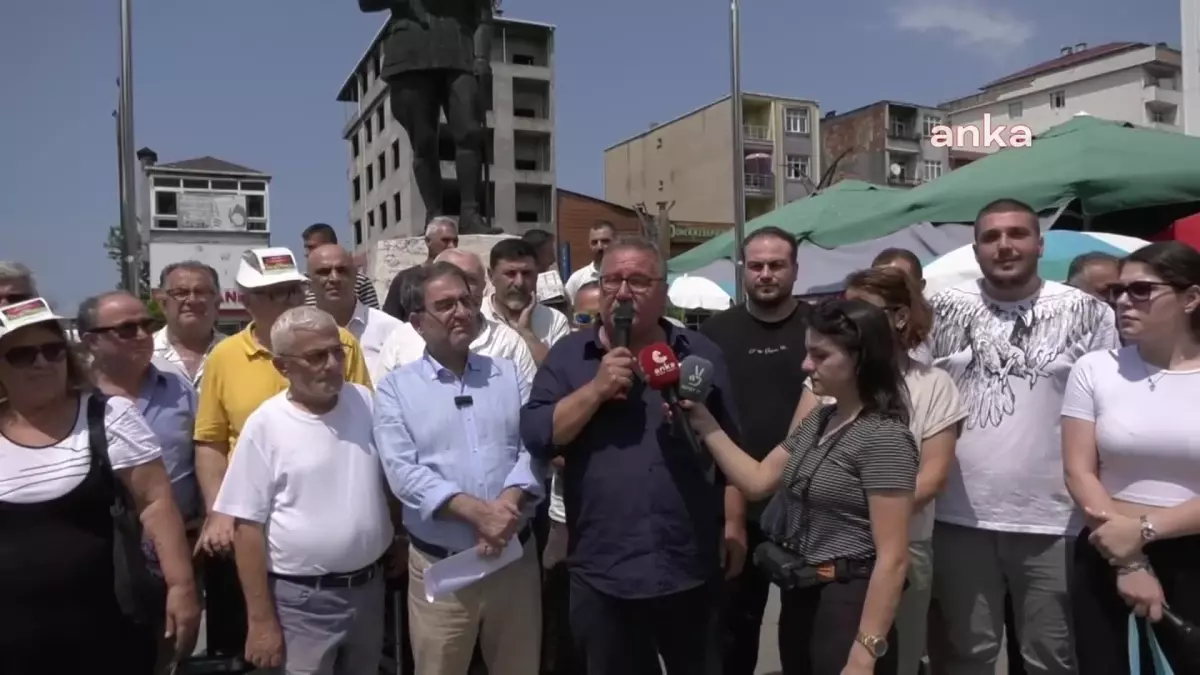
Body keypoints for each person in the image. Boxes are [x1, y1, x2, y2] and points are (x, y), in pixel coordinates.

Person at [521, 235, 740, 675]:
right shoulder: (568, 357)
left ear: (663, 289)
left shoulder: (700, 355)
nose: (623, 292)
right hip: (603, 569)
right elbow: (539, 435)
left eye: (638, 281)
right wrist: (596, 390)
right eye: (612, 280)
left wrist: (734, 524)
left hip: (687, 564)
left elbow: (732, 451)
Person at [926, 199, 1119, 675]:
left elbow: (1108, 410)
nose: (1004, 245)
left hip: (1054, 520)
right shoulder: (939, 310)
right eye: (991, 237)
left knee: (1051, 658)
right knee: (966, 657)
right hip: (957, 518)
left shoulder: (1089, 312)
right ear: (976, 250)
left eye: (1016, 234)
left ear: (1039, 243)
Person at [683, 298, 917, 675]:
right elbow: (758, 480)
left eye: (820, 355)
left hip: (850, 603)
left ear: (861, 359)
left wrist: (865, 653)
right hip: (803, 592)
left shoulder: (884, 438)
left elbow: (893, 558)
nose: (807, 365)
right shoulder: (822, 419)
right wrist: (703, 420)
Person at [0, 297, 200, 674]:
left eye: (52, 349)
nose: (42, 362)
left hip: (107, 629)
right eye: (23, 355)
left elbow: (156, 502)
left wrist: (181, 587)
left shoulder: (110, 416)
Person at [192, 247, 372, 658]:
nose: (289, 300)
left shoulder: (340, 344)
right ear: (245, 298)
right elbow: (211, 441)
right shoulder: (224, 357)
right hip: (254, 521)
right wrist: (219, 510)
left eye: (293, 291)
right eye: (274, 293)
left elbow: (367, 422)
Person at [376, 262, 544, 675]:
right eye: (446, 305)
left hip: (513, 559)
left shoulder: (507, 374)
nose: (462, 312)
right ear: (417, 322)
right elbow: (404, 473)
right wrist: (479, 515)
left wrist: (505, 508)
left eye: (467, 302)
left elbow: (535, 446)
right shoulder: (395, 388)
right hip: (444, 570)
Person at [796, 268, 963, 675]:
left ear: (900, 317)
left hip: (899, 546)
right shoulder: (825, 382)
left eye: (861, 310)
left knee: (890, 660)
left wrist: (867, 517)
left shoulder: (932, 384)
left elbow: (934, 476)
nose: (848, 321)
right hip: (826, 554)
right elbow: (795, 457)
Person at [215, 307, 394, 673]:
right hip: (300, 604)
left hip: (369, 592)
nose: (331, 364)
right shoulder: (265, 426)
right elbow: (246, 529)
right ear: (283, 367)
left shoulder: (365, 401)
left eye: (336, 352)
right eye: (315, 356)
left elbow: (388, 480)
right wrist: (261, 620)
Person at [1063, 241, 1200, 674]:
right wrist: (1129, 558)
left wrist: (1144, 530)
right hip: (1106, 549)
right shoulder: (1096, 368)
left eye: (1141, 290)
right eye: (1117, 291)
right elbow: (1078, 470)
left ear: (1191, 298)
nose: (1123, 301)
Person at [699, 226, 810, 675]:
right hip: (737, 506)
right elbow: (708, 426)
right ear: (743, 270)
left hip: (811, 509)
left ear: (795, 270)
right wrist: (731, 518)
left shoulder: (820, 327)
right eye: (757, 265)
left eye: (777, 265)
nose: (766, 274)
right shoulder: (714, 333)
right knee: (732, 639)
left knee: (805, 637)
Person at [359, 0, 497, 234]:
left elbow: (484, 17)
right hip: (410, 54)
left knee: (470, 133)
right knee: (423, 141)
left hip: (460, 53)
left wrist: (482, 57)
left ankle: (470, 213)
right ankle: (434, 215)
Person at [379, 248, 538, 387]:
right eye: (449, 278)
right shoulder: (400, 340)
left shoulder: (509, 342)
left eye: (470, 280)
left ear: (484, 286)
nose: (461, 288)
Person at [308, 243, 404, 383]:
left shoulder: (392, 330)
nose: (334, 278)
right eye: (324, 272)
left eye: (342, 271)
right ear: (309, 281)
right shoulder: (299, 334)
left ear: (355, 276)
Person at [482, 238, 570, 364]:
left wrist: (526, 334)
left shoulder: (555, 321)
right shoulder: (476, 317)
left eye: (526, 273)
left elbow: (562, 375)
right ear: (491, 276)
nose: (519, 283)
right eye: (510, 274)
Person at [153, 261, 226, 388]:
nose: (192, 300)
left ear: (217, 303)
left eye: (201, 292)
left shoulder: (237, 353)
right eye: (180, 293)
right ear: (163, 304)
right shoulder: (142, 354)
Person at [383, 217, 460, 321]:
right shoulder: (404, 279)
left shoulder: (461, 278)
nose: (452, 246)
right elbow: (389, 321)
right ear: (428, 241)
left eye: (455, 241)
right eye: (445, 240)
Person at [301, 223, 381, 309]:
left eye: (311, 247)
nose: (307, 253)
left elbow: (373, 317)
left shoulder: (360, 281)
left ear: (332, 245)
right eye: (307, 248)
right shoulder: (299, 284)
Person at [563, 221, 615, 304]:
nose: (600, 247)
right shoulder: (577, 279)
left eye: (605, 241)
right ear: (589, 245)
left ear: (616, 242)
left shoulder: (627, 276)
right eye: (594, 242)